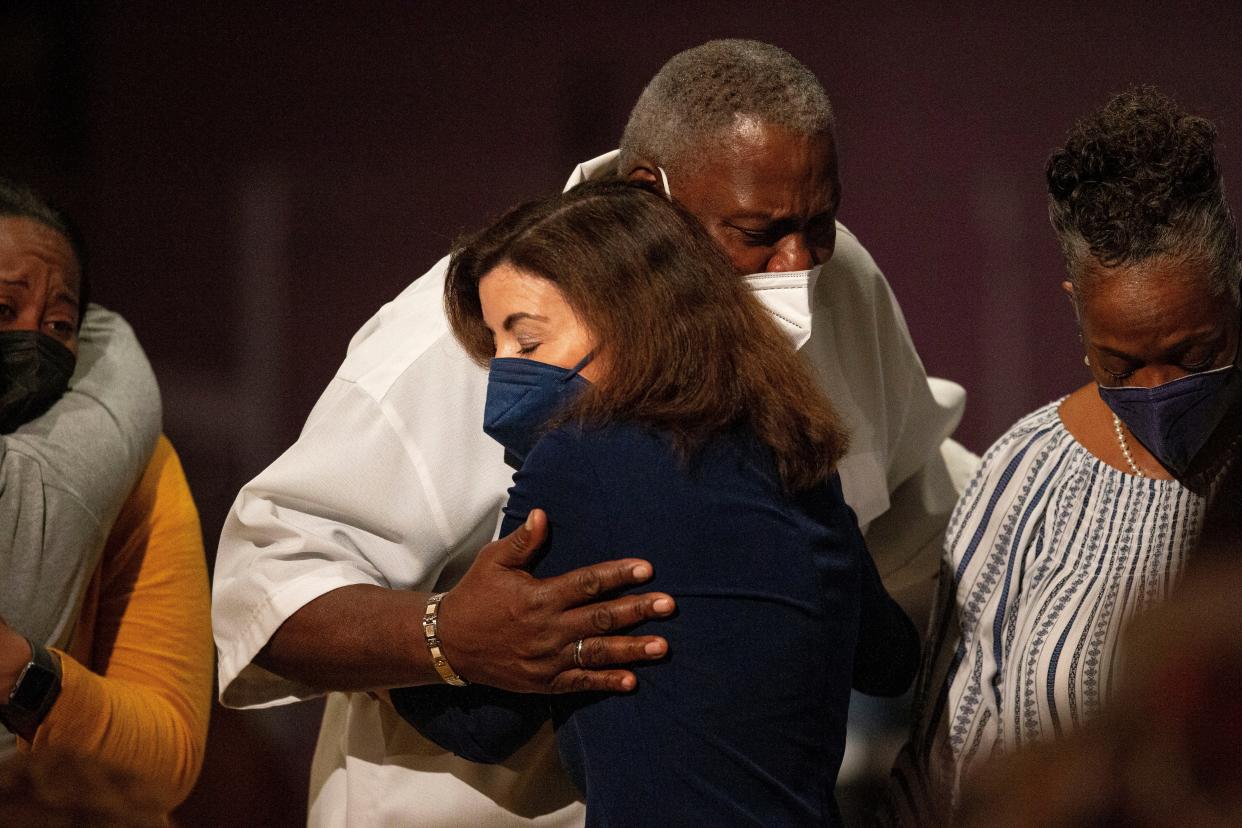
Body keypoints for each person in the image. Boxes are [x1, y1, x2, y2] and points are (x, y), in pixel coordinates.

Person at [212, 39, 971, 825]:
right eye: (757, 230)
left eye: (819, 223)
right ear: (653, 195)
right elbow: (263, 594)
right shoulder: (471, 333)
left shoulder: (835, 282)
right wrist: (445, 634)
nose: (796, 265)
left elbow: (920, 504)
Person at [392, 178, 919, 825]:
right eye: (496, 347)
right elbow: (891, 660)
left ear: (628, 319)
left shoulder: (576, 462)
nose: (505, 370)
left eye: (526, 342)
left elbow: (487, 725)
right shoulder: (797, 454)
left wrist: (403, 636)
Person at [881, 87, 1242, 824]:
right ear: (1077, 311)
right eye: (1120, 363)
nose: (1158, 389)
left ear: (1233, 282)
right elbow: (939, 770)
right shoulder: (1025, 477)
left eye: (1194, 353)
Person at [0, 180, 213, 814]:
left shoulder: (137, 463)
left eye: (59, 324)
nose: (32, 339)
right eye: (3, 308)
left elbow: (169, 752)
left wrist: (25, 679)